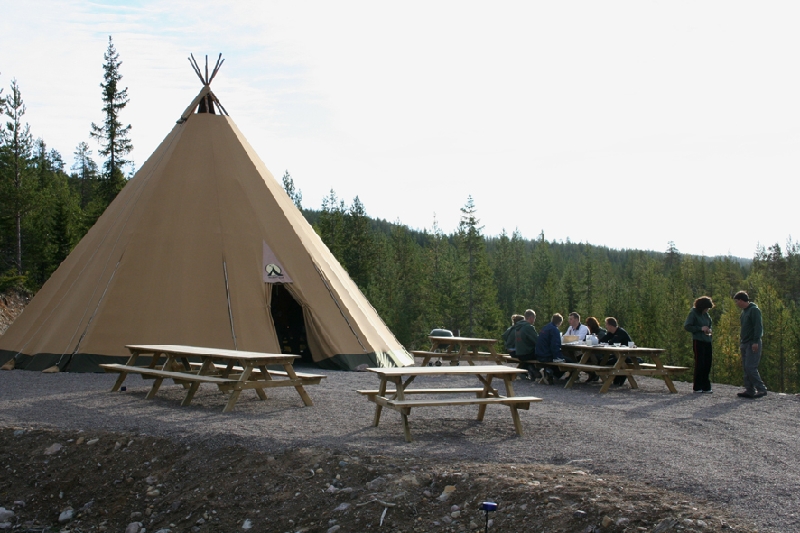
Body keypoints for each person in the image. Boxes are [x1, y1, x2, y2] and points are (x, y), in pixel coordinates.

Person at [734, 291, 767, 399]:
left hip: (752, 342)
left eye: (737, 301)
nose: (736, 303)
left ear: (741, 300)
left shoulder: (754, 310)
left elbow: (758, 327)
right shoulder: (744, 312)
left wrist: (755, 341)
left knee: (750, 367)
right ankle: (749, 390)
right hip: (744, 342)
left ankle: (761, 389)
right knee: (746, 367)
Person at [684, 296, 714, 393]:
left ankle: (706, 386)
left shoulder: (706, 315)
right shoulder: (693, 313)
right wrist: (700, 328)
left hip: (707, 340)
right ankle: (697, 386)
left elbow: (710, 324)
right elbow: (687, 326)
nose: (707, 310)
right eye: (706, 308)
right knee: (700, 363)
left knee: (707, 363)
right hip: (698, 341)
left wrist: (709, 330)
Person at [599, 317, 634, 386]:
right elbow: (602, 341)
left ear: (610, 326)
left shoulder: (620, 332)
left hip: (627, 356)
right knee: (601, 361)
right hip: (618, 355)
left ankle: (620, 377)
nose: (606, 327)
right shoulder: (610, 333)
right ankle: (614, 379)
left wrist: (608, 342)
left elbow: (612, 342)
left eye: (606, 325)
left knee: (611, 362)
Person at [535, 313, 565, 384]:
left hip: (539, 354)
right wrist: (557, 357)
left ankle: (548, 373)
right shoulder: (554, 330)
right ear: (560, 322)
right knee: (569, 361)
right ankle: (551, 373)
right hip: (546, 355)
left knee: (562, 359)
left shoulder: (545, 327)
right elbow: (555, 345)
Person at [514, 309, 539, 380]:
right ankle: (535, 371)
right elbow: (537, 341)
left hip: (518, 353)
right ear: (531, 318)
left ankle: (528, 369)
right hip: (527, 353)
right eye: (534, 318)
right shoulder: (528, 327)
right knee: (544, 355)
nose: (534, 320)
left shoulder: (518, 327)